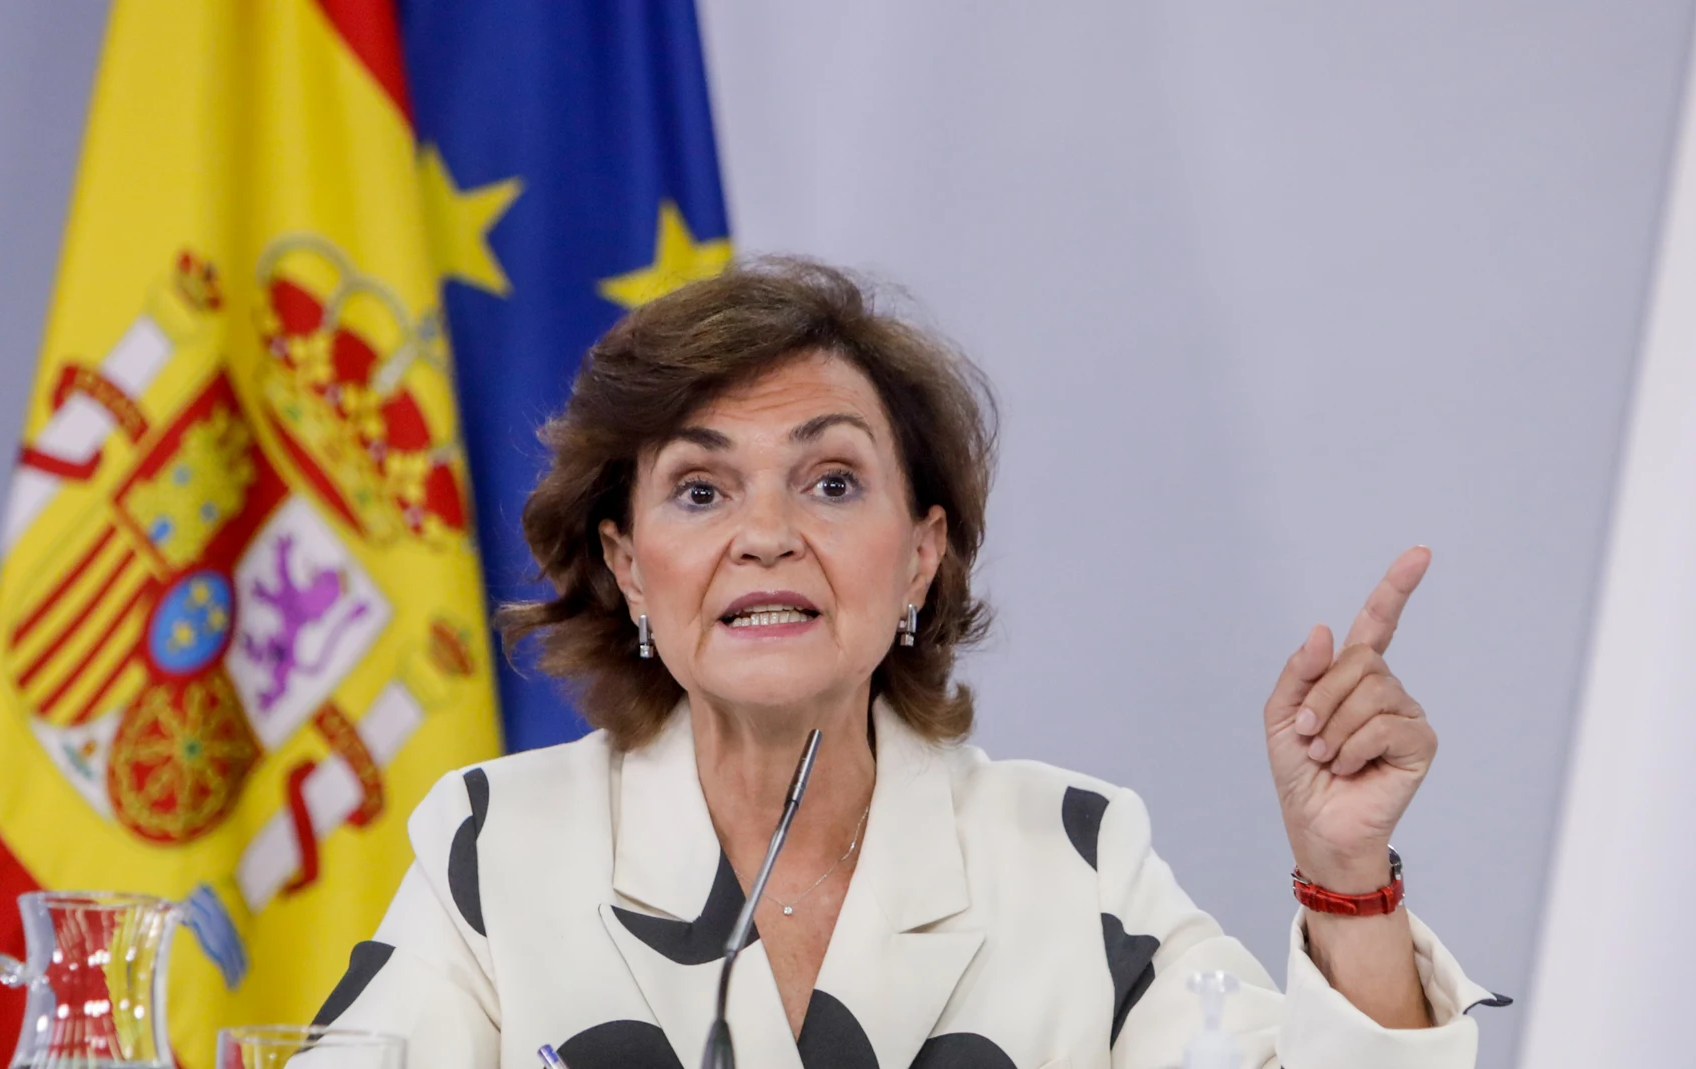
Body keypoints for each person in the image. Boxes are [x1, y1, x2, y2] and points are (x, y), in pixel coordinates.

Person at [311, 259, 1504, 1069]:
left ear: (921, 555)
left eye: (831, 482)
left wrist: (1345, 875)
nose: (766, 532)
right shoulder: (493, 844)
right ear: (628, 566)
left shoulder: (1074, 854)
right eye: (700, 488)